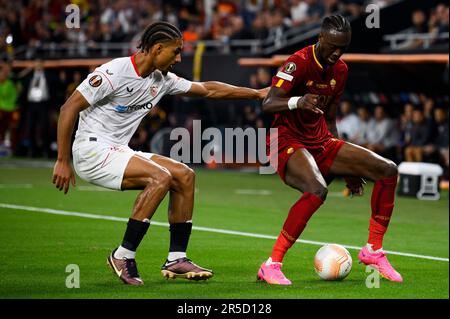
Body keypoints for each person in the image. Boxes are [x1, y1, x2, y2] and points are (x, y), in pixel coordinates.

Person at [52, 21, 267, 286]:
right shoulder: (113, 72)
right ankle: (123, 255)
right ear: (156, 49)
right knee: (160, 177)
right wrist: (63, 160)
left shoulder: (161, 80)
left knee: (184, 175)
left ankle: (176, 259)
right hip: (91, 150)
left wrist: (257, 93)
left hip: (118, 149)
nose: (178, 58)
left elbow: (208, 89)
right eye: (175, 52)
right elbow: (68, 109)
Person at [258, 14, 402, 285]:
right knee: (317, 190)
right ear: (320, 38)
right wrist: (298, 101)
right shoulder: (297, 63)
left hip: (321, 139)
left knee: (387, 170)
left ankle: (373, 250)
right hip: (286, 139)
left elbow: (331, 116)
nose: (337, 52)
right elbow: (268, 104)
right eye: (333, 46)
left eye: (343, 47)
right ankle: (271, 264)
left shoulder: (341, 70)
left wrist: (346, 165)